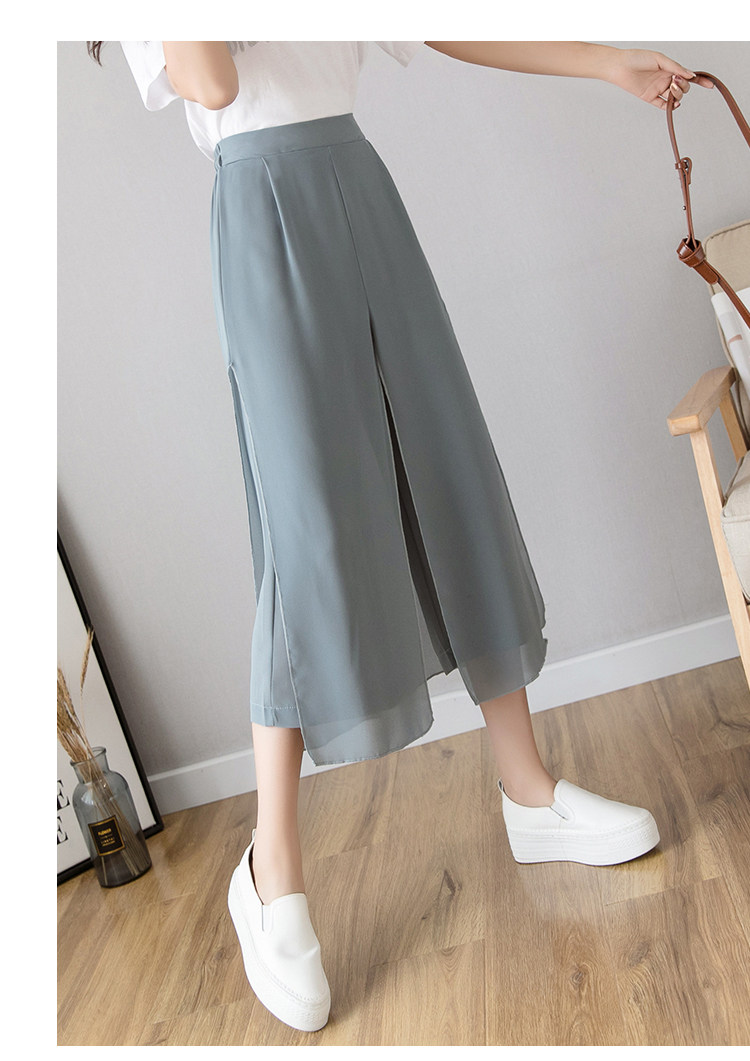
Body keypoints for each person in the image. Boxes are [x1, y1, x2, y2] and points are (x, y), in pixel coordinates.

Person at [95, 41, 711, 1034]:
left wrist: (605, 64)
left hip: (359, 185)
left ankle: (530, 791)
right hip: (263, 213)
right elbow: (210, 81)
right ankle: (271, 871)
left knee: (446, 465)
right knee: (306, 534)